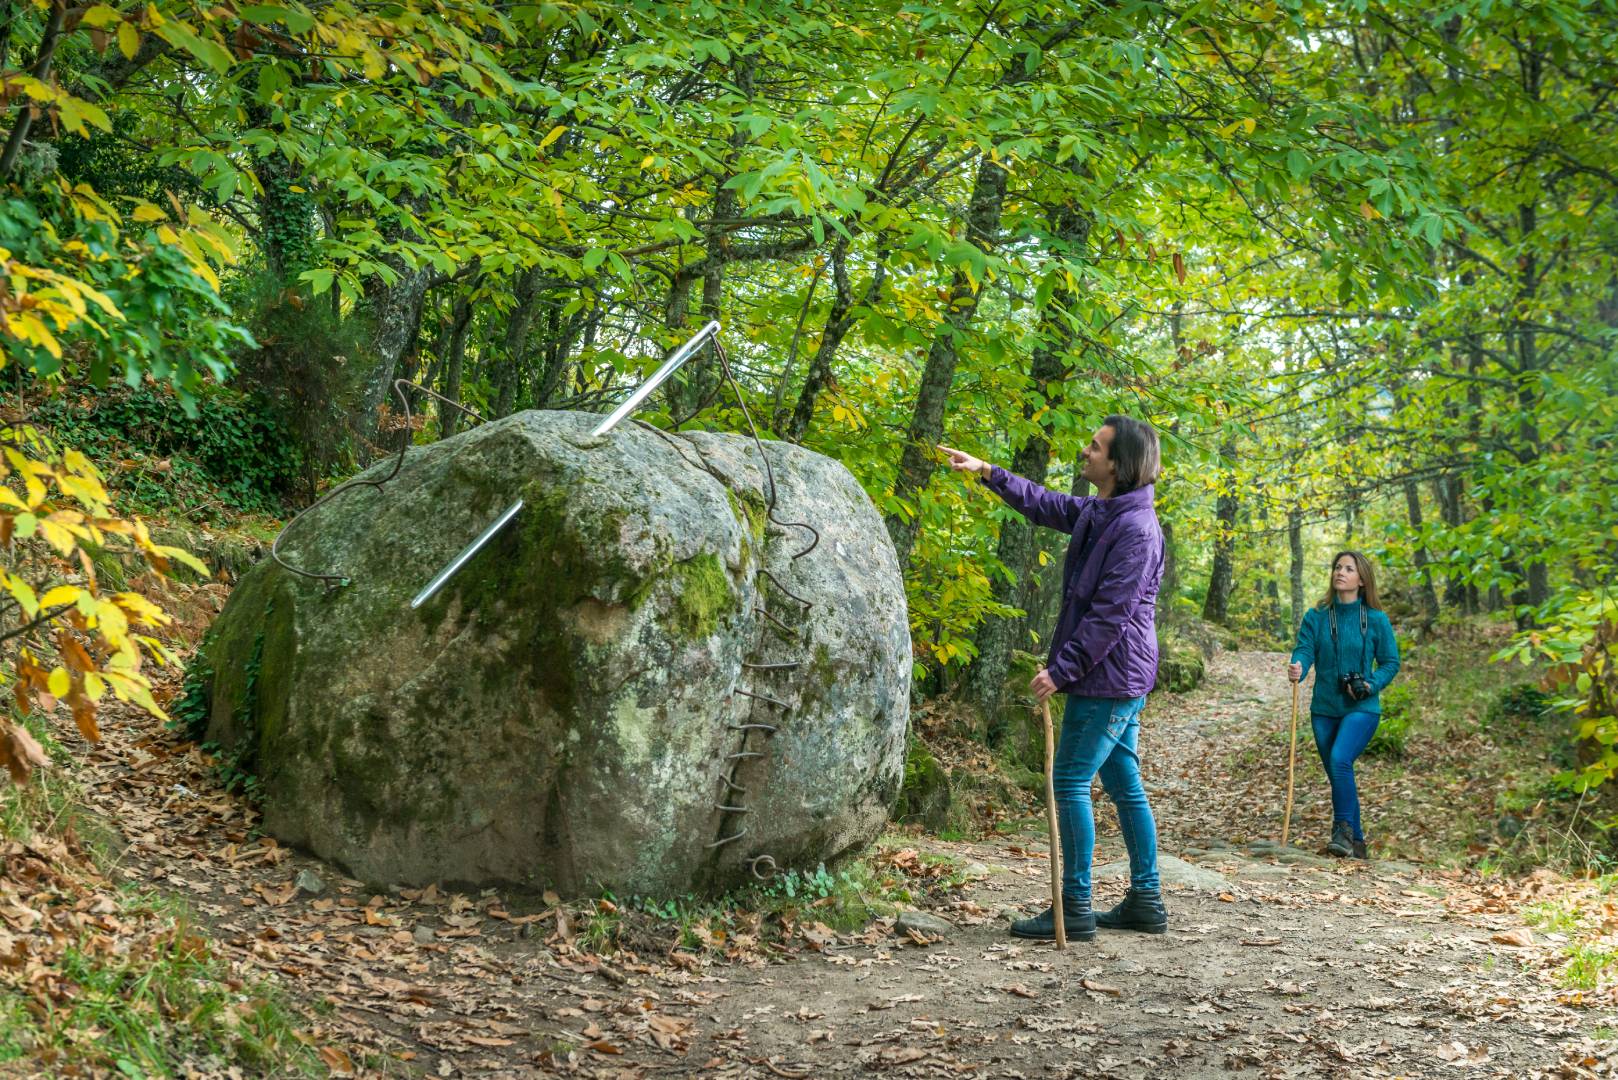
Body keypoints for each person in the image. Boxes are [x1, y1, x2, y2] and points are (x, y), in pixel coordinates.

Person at [939, 416, 1167, 941]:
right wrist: (988, 472)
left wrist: (1061, 671)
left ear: (1119, 463)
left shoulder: (1136, 529)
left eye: (1095, 446)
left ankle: (1076, 906)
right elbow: (1047, 504)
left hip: (1109, 677)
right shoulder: (1102, 510)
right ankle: (1146, 899)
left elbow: (1111, 615)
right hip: (1118, 673)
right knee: (1122, 782)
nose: (1084, 452)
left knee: (1069, 781)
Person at [1285, 551, 1401, 859]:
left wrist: (1371, 684)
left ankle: (1341, 830)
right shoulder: (1317, 616)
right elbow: (1304, 650)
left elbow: (1391, 662)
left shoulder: (1376, 619)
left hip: (1362, 708)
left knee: (1339, 760)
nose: (1341, 572)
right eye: (1338, 567)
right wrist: (1298, 666)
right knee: (1339, 772)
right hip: (1324, 709)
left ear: (1361, 580)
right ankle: (1357, 843)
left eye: (1348, 569)